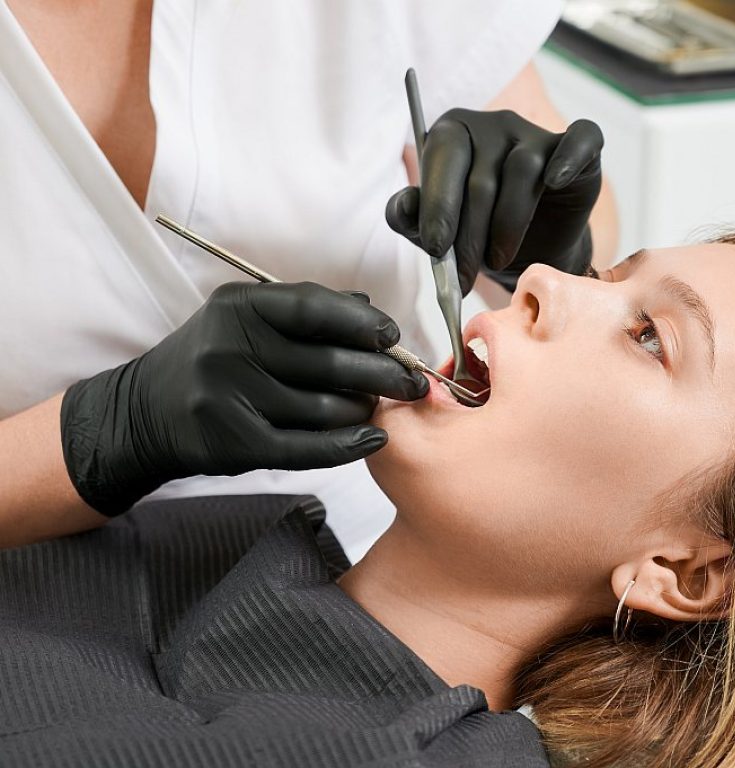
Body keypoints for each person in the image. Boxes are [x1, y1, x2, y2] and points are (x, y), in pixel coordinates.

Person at [2, 231, 735, 767]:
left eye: (649, 336)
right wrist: (95, 440)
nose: (540, 277)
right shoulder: (212, 546)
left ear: (684, 572)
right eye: (605, 275)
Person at [0, 0, 619, 558]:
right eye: (646, 335)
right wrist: (110, 432)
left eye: (646, 336)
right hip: (52, 585)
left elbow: (579, 223)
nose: (543, 294)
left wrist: (539, 241)